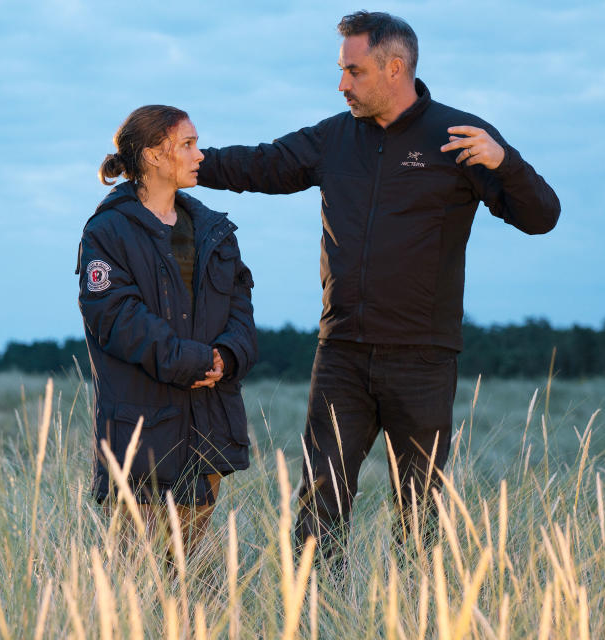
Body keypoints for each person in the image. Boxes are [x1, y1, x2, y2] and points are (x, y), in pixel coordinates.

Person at [196, 11, 560, 562]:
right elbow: (260, 165)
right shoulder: (333, 138)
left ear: (394, 68)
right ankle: (317, 612)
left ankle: (416, 611)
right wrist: (181, 165)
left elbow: (542, 216)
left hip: (422, 357)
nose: (341, 84)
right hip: (341, 353)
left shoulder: (458, 137)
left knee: (419, 508)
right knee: (320, 500)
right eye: (342, 71)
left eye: (353, 71)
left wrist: (505, 163)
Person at [77, 105, 257, 553]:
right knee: (136, 575)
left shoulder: (213, 230)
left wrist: (227, 357)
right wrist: (194, 361)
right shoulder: (108, 231)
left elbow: (240, 305)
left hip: (207, 425)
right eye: (188, 145)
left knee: (189, 567)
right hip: (142, 432)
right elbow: (116, 318)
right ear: (155, 155)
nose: (201, 155)